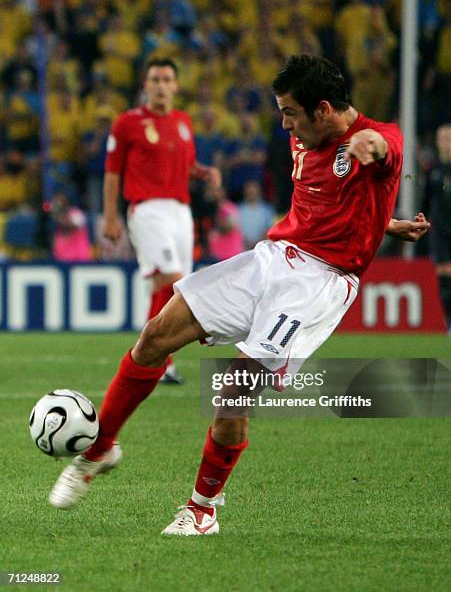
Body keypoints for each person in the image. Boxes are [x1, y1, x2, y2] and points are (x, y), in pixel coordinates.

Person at [48, 55, 430, 535]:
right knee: (155, 335)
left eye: (290, 112)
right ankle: (100, 449)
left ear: (325, 109)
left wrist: (366, 146)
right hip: (271, 257)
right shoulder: (302, 135)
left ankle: (202, 510)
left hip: (318, 281)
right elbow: (326, 202)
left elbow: (383, 150)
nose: (284, 122)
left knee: (234, 387)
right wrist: (385, 224)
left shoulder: (377, 138)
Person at [101, 58, 220, 383]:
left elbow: (185, 162)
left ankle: (155, 358)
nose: (161, 85)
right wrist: (110, 217)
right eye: (155, 79)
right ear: (145, 85)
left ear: (176, 86)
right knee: (169, 280)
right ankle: (156, 361)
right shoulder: (127, 123)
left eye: (167, 79)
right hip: (147, 209)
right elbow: (112, 173)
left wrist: (203, 172)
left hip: (181, 210)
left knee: (178, 288)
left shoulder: (183, 121)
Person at [423, 124, 451, 330]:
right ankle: (448, 323)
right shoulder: (433, 170)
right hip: (440, 232)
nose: (446, 143)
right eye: (443, 138)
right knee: (443, 275)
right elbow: (425, 203)